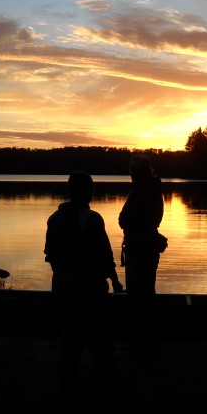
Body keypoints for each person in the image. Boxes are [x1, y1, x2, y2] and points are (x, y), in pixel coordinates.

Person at [44, 170, 123, 396]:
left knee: (70, 334)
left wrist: (63, 277)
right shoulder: (93, 219)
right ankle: (104, 382)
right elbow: (105, 254)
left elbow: (51, 255)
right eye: (91, 188)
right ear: (87, 192)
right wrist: (115, 280)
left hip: (63, 286)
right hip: (91, 288)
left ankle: (70, 379)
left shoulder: (55, 219)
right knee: (99, 336)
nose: (92, 192)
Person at [118, 153, 164, 351]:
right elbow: (153, 220)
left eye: (133, 171)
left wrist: (129, 223)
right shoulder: (154, 190)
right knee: (147, 292)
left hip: (139, 248)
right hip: (148, 247)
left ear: (139, 172)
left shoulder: (140, 190)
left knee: (137, 295)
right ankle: (148, 340)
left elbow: (124, 219)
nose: (131, 175)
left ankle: (140, 341)